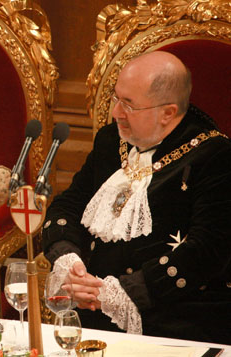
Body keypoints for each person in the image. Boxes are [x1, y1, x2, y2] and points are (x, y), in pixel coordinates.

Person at [42, 51, 231, 344]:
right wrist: (68, 260)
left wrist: (120, 293)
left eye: (128, 105)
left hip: (175, 320)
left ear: (168, 112)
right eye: (117, 98)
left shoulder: (215, 156)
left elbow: (207, 250)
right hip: (88, 309)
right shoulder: (110, 141)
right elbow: (68, 204)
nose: (116, 112)